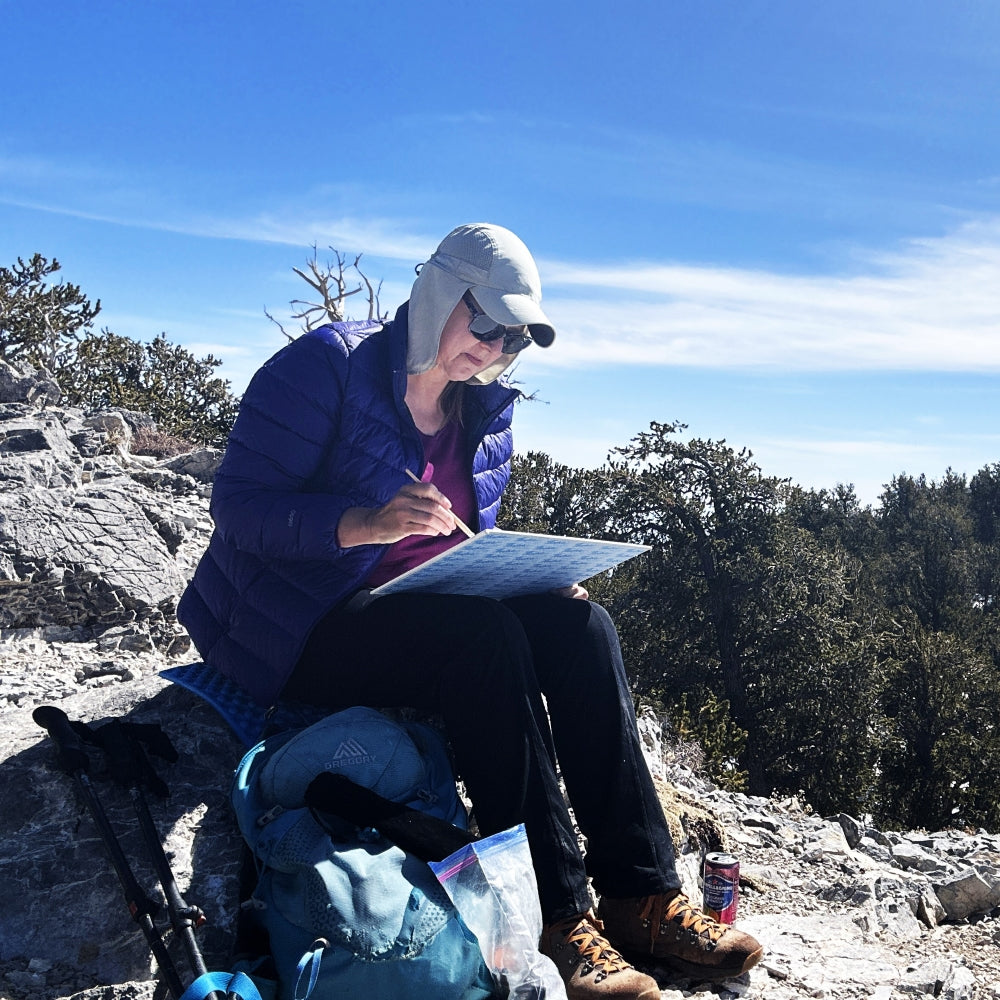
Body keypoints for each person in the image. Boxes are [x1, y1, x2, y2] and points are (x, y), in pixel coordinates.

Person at [178, 223, 763, 999]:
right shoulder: (327, 368)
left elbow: (461, 542)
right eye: (483, 322)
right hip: (295, 625)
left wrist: (532, 578)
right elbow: (240, 508)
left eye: (512, 337)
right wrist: (365, 522)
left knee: (582, 628)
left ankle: (641, 894)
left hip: (413, 612)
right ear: (436, 296)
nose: (492, 349)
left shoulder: (483, 413)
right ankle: (554, 917)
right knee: (481, 642)